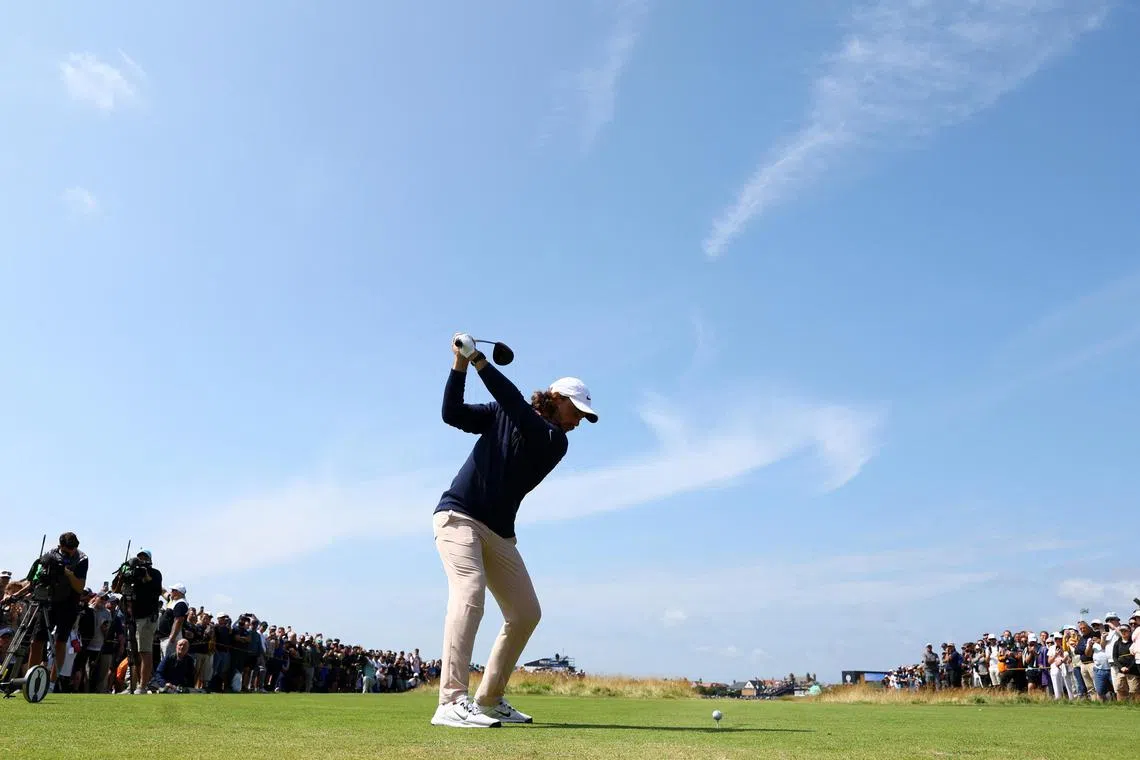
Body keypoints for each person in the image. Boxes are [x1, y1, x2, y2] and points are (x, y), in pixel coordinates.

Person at [430, 333, 597, 729]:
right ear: (555, 399)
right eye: (576, 410)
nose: (578, 421)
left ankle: (488, 699)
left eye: (583, 416)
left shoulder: (555, 441)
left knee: (525, 613)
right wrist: (460, 364)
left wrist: (480, 362)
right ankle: (451, 701)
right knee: (469, 592)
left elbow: (517, 408)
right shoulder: (504, 411)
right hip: (458, 517)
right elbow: (452, 413)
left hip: (499, 533)